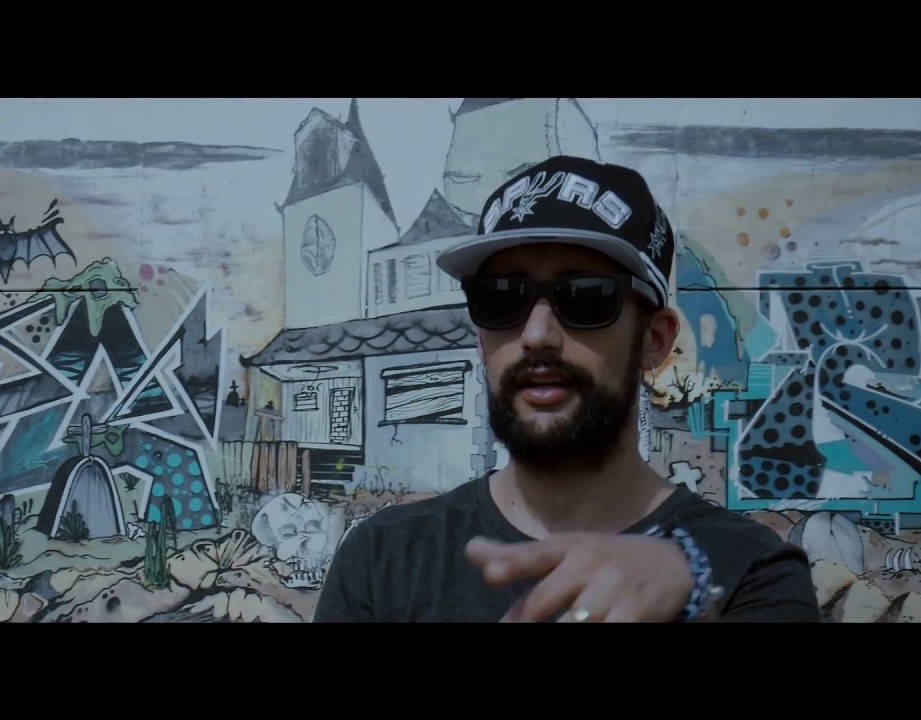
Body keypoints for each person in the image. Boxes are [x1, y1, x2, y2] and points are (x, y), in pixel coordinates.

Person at [312, 154, 822, 623]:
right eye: (501, 297)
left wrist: (696, 590)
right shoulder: (384, 560)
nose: (537, 335)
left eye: (586, 296)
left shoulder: (748, 574)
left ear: (654, 339)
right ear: (481, 338)